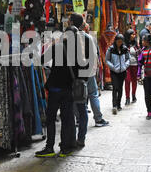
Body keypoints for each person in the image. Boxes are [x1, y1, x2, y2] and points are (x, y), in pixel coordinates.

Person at [36, 26, 79, 158]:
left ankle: (49, 147)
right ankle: (65, 148)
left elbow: (41, 60)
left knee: (51, 119)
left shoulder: (57, 47)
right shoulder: (78, 51)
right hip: (68, 89)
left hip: (55, 88)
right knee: (66, 119)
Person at [79, 22, 110, 128]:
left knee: (78, 95)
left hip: (76, 71)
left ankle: (78, 119)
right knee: (93, 94)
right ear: (85, 28)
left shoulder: (70, 37)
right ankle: (98, 119)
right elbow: (94, 55)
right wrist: (94, 69)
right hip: (88, 71)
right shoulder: (89, 38)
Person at [106, 34, 130, 114]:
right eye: (118, 41)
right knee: (115, 88)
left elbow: (128, 59)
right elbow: (107, 60)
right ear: (115, 41)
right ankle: (114, 105)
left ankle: (119, 104)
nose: (119, 43)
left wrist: (125, 66)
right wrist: (113, 67)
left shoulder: (125, 49)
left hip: (122, 72)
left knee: (120, 88)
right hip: (114, 72)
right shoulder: (111, 49)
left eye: (121, 42)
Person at [124, 29, 139, 105]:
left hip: (135, 65)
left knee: (134, 81)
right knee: (127, 81)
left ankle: (133, 95)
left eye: (134, 34)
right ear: (128, 35)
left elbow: (139, 54)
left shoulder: (136, 44)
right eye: (132, 34)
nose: (134, 36)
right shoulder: (124, 45)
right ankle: (127, 98)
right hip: (127, 66)